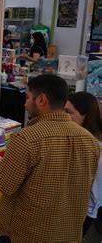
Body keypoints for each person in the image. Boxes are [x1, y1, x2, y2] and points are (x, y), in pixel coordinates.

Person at [0, 74, 100, 242]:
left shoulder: (27, 138)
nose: (25, 103)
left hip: (25, 233)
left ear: (41, 100)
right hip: (67, 232)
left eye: (28, 98)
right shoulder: (91, 141)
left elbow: (6, 185)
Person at [65, 92, 102, 235]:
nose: (64, 116)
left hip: (81, 212)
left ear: (85, 115)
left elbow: (95, 192)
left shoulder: (95, 147)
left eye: (69, 112)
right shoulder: (76, 137)